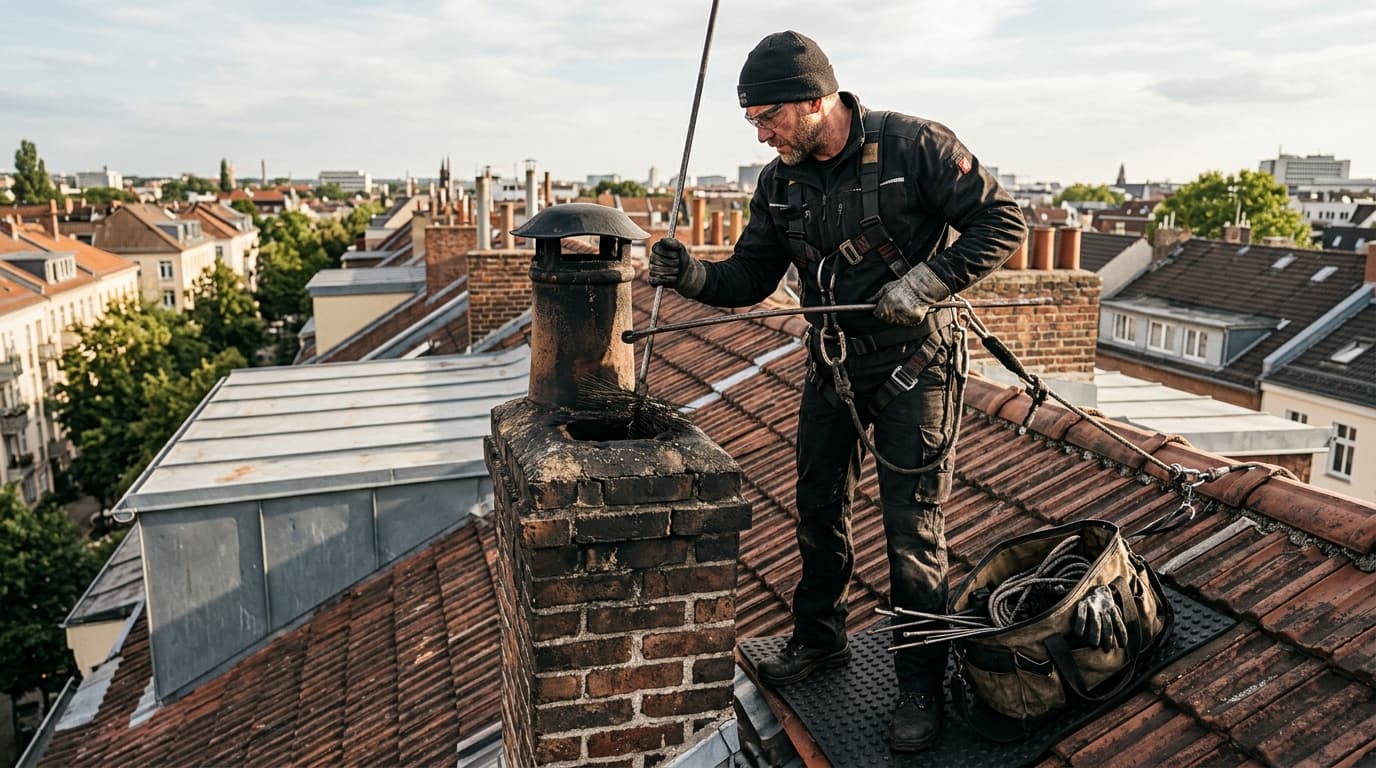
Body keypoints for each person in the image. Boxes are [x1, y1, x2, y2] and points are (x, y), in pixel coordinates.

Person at [649, 30, 1026, 752]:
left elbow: (1001, 221)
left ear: (815, 101)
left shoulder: (915, 146)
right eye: (751, 121)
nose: (761, 135)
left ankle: (919, 684)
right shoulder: (780, 183)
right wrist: (692, 275)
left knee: (912, 530)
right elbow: (751, 277)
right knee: (818, 506)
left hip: (915, 366)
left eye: (768, 118)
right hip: (834, 364)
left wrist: (927, 282)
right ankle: (820, 638)